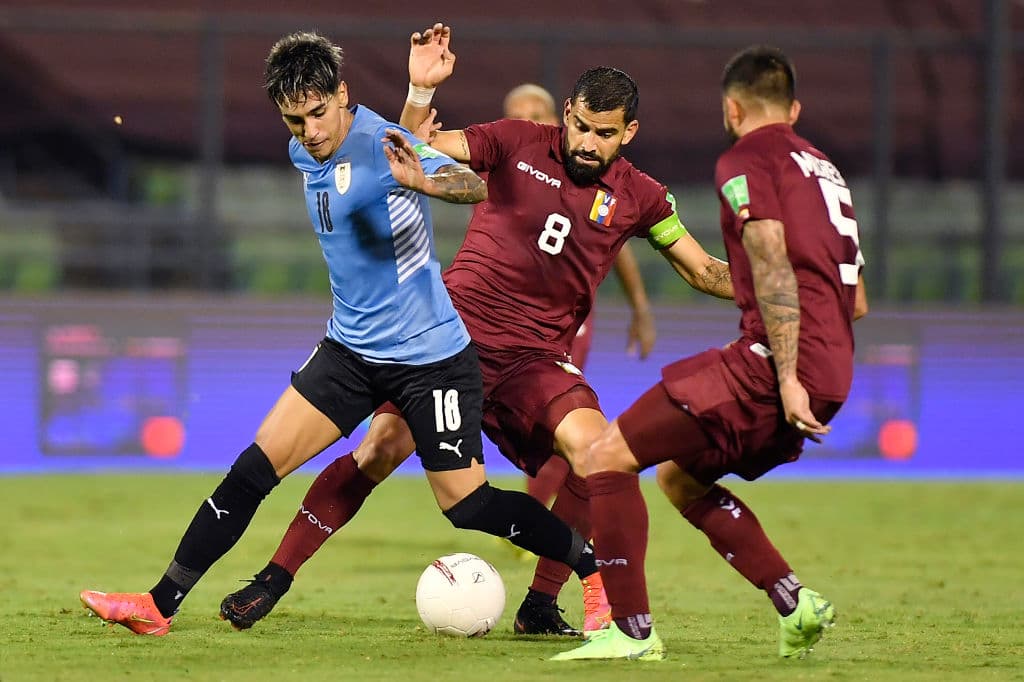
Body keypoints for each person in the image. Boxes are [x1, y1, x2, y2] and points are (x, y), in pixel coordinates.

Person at [78, 30, 607, 636]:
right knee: (253, 469)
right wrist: (412, 99)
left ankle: (589, 569)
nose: (309, 131)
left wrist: (428, 182)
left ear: (344, 95)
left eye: (319, 113)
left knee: (468, 506)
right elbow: (349, 154)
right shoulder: (305, 150)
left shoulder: (383, 143)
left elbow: (472, 185)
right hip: (350, 351)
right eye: (294, 118)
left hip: (432, 358)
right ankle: (159, 604)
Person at [216, 24, 732, 638]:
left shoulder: (644, 198)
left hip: (537, 359)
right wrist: (422, 97)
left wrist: (782, 282)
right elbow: (424, 146)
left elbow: (703, 270)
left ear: (629, 134)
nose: (588, 143)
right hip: (447, 340)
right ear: (567, 114)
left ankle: (543, 604)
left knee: (599, 454)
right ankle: (274, 577)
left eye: (605, 134)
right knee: (379, 450)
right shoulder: (513, 139)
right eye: (581, 126)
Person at [553, 45, 869, 662]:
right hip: (834, 369)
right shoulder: (826, 170)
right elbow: (852, 298)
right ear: (793, 108)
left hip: (777, 366)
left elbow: (773, 265)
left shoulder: (746, 158)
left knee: (606, 456)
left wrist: (786, 375)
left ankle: (632, 631)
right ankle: (794, 601)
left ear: (731, 107)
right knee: (678, 477)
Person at [500, 82, 656, 518]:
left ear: (559, 118)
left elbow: (619, 243)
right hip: (496, 319)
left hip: (559, 322)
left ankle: (534, 515)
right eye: (518, 116)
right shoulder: (504, 160)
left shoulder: (590, 178)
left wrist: (640, 308)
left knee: (559, 417)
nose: (528, 123)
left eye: (536, 114)